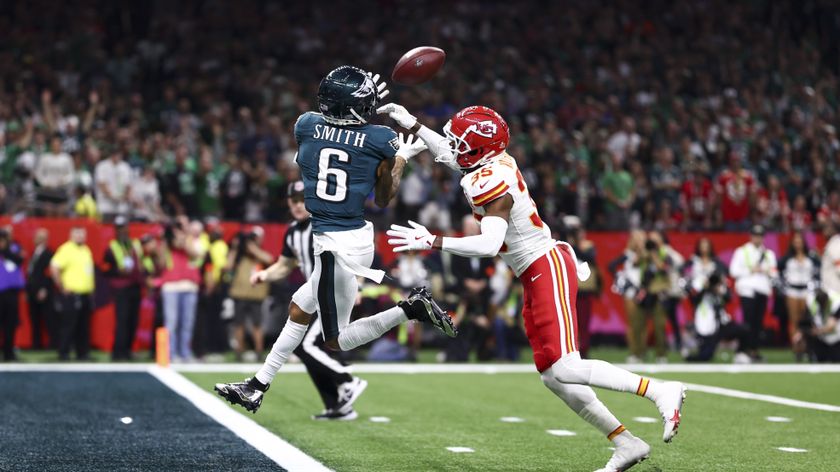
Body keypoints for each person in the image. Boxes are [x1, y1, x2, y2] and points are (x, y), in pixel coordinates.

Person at [380, 103, 686, 472]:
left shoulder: (492, 181)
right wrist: (413, 124)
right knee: (553, 376)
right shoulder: (486, 164)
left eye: (460, 141)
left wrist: (433, 240)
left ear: (479, 150)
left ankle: (658, 390)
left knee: (567, 366)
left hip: (546, 265)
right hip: (532, 271)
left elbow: (489, 244)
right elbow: (450, 153)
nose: (452, 145)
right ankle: (626, 442)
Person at [214, 66, 456, 413]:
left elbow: (318, 153)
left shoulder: (306, 125)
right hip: (350, 236)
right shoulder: (380, 138)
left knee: (336, 340)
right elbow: (384, 198)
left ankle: (411, 309)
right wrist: (400, 158)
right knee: (299, 308)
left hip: (336, 247)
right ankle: (257, 385)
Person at [245, 180, 368, 420]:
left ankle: (347, 380)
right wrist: (264, 275)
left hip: (334, 292)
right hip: (313, 296)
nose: (298, 205)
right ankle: (337, 406)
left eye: (303, 200)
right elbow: (284, 265)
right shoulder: (292, 232)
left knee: (304, 346)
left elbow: (356, 254)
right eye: (294, 201)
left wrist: (359, 287)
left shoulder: (325, 223)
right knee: (305, 349)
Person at [683, 238, 750, 363]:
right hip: (703, 316)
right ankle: (692, 352)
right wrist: (703, 286)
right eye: (702, 245)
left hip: (719, 319)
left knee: (744, 329)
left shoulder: (718, 265)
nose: (704, 248)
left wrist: (718, 289)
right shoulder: (692, 265)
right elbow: (691, 294)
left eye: (706, 245)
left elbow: (728, 297)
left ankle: (740, 353)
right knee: (705, 355)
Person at [729, 224, 777, 361]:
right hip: (747, 291)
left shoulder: (768, 254)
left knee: (758, 323)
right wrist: (751, 270)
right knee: (747, 322)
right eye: (755, 235)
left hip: (762, 290)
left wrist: (766, 271)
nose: (758, 238)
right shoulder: (741, 251)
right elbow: (733, 271)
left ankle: (754, 350)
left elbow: (774, 272)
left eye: (760, 236)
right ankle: (742, 350)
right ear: (751, 236)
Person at [226, 226, 274, 359]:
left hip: (256, 296)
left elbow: (269, 260)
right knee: (238, 324)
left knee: (257, 324)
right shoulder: (239, 256)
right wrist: (235, 248)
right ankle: (239, 352)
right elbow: (228, 266)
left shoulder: (261, 254)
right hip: (239, 294)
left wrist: (252, 248)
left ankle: (259, 351)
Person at [158, 220, 202, 362]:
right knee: (171, 322)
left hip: (189, 286)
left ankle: (185, 353)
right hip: (171, 287)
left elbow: (195, 255)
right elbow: (160, 264)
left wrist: (184, 240)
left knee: (187, 323)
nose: (179, 231)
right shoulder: (166, 243)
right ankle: (171, 354)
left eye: (182, 228)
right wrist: (166, 243)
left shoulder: (193, 240)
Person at [102, 216, 145, 360]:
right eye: (119, 228)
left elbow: (142, 261)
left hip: (135, 286)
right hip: (121, 288)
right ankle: (118, 352)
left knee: (133, 320)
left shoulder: (135, 244)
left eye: (124, 228)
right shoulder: (111, 247)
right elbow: (105, 268)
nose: (122, 231)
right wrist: (117, 271)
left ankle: (128, 350)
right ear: (115, 230)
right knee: (122, 320)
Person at [50, 227, 95, 361]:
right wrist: (61, 286)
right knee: (69, 325)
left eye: (82, 235)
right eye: (78, 234)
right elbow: (54, 267)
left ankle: (82, 353)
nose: (80, 237)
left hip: (85, 293)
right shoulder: (66, 249)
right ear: (71, 236)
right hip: (71, 294)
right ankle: (64, 352)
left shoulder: (86, 249)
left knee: (83, 326)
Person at [778, 232, 820, 357]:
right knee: (794, 321)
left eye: (800, 241)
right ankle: (797, 348)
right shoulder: (787, 258)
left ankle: (807, 347)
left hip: (806, 291)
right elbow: (778, 270)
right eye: (795, 241)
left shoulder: (811, 257)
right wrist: (783, 285)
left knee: (806, 321)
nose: (798, 244)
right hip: (792, 291)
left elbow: (818, 269)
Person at [26, 228, 55, 350]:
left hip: (43, 291)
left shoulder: (49, 253)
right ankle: (36, 344)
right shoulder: (34, 253)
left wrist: (44, 289)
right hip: (32, 290)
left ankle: (54, 343)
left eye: (40, 237)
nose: (36, 239)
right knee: (34, 318)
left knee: (48, 318)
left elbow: (49, 274)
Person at [0, 229, 25, 361]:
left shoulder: (14, 248)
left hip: (11, 293)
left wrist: (5, 250)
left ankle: (8, 352)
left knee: (10, 324)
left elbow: (19, 260)